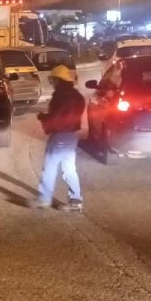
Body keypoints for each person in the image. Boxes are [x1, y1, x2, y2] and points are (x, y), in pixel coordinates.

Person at [34, 65, 86, 211]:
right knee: (69, 169)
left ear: (58, 79)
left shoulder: (61, 95)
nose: (53, 82)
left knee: (49, 168)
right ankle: (76, 200)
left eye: (54, 79)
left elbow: (58, 117)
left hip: (60, 136)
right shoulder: (77, 95)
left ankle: (44, 199)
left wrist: (44, 118)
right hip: (72, 136)